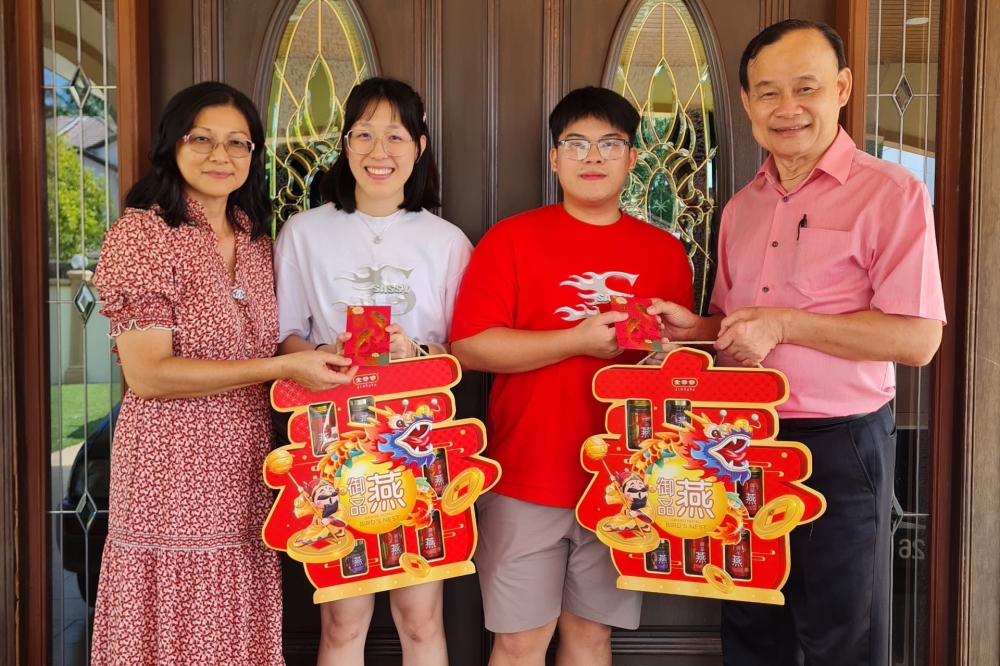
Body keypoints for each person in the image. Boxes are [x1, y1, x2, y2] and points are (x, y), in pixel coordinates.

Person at [647, 20, 946, 666]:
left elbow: (917, 337)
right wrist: (694, 331)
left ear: (841, 89)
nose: (787, 109)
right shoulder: (741, 209)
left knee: (843, 637)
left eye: (805, 88)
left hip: (840, 446)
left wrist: (783, 322)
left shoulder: (891, 194)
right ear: (749, 104)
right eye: (768, 93)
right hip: (739, 441)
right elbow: (738, 323)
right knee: (752, 628)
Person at [89, 82, 355, 666]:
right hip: (170, 468)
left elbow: (267, 342)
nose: (221, 155)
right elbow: (149, 374)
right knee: (180, 618)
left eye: (239, 143)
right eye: (202, 139)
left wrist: (323, 354)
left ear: (255, 154)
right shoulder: (145, 234)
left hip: (247, 464)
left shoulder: (255, 239)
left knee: (236, 616)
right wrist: (285, 366)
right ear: (171, 145)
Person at [450, 86, 694, 666]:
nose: (594, 157)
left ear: (633, 158)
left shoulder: (664, 252)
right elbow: (472, 348)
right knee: (518, 643)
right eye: (577, 143)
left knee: (592, 636)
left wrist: (667, 354)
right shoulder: (511, 239)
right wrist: (579, 340)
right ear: (555, 156)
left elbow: (675, 371)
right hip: (526, 474)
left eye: (610, 143)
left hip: (625, 478)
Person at [273, 77, 472, 666]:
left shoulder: (449, 242)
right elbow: (284, 333)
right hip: (334, 438)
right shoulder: (304, 233)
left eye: (394, 135)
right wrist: (316, 354)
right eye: (363, 134)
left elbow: (465, 352)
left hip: (419, 439)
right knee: (342, 618)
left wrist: (417, 353)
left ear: (420, 145)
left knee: (420, 616)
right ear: (345, 143)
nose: (378, 151)